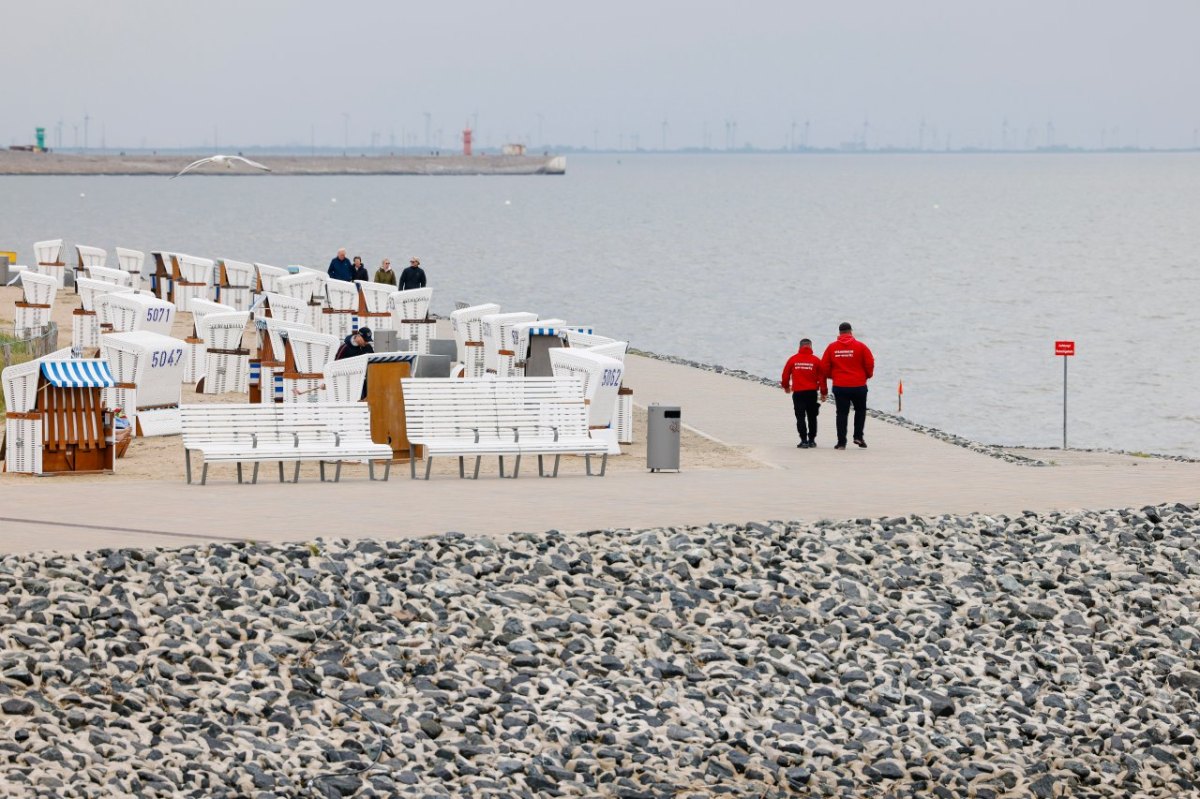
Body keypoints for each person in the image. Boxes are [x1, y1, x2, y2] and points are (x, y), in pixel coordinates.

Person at [821, 322, 875, 449]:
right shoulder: (861, 346)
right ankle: (858, 437)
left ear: (839, 333)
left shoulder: (831, 347)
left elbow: (824, 367)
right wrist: (867, 375)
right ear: (851, 332)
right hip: (859, 385)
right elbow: (870, 363)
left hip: (840, 385)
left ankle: (841, 442)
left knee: (841, 413)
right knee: (860, 410)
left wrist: (832, 376)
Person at [781, 338, 827, 448]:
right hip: (811, 393)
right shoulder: (816, 360)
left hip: (798, 393)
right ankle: (811, 440)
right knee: (812, 417)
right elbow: (822, 378)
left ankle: (803, 440)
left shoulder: (793, 359)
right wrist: (823, 393)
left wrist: (786, 387)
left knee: (800, 417)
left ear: (799, 347)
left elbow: (785, 375)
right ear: (811, 347)